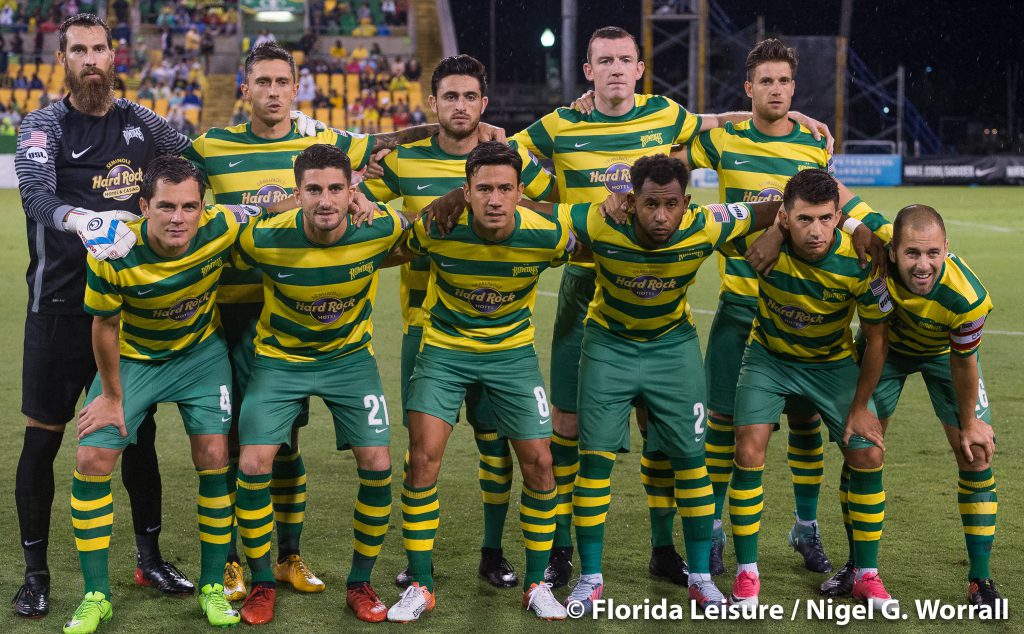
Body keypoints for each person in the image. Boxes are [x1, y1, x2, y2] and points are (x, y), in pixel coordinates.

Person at [513, 25, 832, 589]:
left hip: (656, 286)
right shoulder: (561, 124)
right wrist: (555, 198)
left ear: (640, 68)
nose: (614, 68)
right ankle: (563, 547)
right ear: (588, 71)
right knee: (567, 424)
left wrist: (794, 118)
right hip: (586, 285)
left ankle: (664, 548)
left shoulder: (665, 114)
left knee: (659, 428)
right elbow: (504, 163)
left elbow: (718, 125)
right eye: (603, 60)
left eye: (624, 60)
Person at [182, 40, 469, 607]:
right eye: (260, 82)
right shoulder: (209, 147)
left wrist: (466, 137)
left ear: (296, 87)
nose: (270, 91)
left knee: (285, 446)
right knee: (238, 444)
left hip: (311, 309)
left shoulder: (325, 143)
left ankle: (287, 556)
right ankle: (237, 563)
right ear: (244, 88)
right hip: (239, 313)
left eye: (280, 82)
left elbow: (382, 149)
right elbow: (185, 205)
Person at [681, 38, 890, 576]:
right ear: (747, 88)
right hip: (742, 306)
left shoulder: (811, 144)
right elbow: (672, 154)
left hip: (807, 311)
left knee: (803, 427)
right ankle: (716, 533)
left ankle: (805, 527)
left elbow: (829, 202)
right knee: (727, 430)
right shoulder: (724, 140)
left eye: (784, 82)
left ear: (794, 88)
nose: (775, 90)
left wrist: (870, 227)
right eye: (764, 82)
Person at [13, 13, 194, 618]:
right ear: (62, 59)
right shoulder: (43, 124)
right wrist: (86, 220)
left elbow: (197, 163)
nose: (90, 59)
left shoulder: (142, 122)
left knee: (135, 438)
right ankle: (36, 573)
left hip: (124, 312)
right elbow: (36, 195)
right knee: (44, 441)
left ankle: (149, 557)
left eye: (99, 49)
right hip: (59, 311)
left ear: (115, 56)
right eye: (78, 50)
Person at [359, 54, 554, 591]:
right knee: (420, 452)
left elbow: (551, 203)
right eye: (451, 96)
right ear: (434, 104)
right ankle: (416, 562)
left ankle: (493, 551)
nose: (461, 106)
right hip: (426, 325)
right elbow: (361, 209)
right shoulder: (405, 161)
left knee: (496, 443)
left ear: (484, 104)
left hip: (498, 328)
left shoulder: (508, 159)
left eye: (470, 97)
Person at [62, 157, 251, 634]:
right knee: (91, 458)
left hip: (200, 356)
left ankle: (212, 586)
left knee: (214, 454)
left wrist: (351, 196)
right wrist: (109, 395)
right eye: (166, 206)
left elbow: (272, 210)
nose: (178, 218)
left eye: (190, 207)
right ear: (144, 206)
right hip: (133, 358)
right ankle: (96, 596)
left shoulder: (222, 224)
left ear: (203, 208)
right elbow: (103, 325)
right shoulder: (111, 250)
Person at [386, 142, 573, 622]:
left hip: (512, 356)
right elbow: (389, 247)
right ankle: (421, 584)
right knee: (422, 460)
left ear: (519, 193)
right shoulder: (440, 228)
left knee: (540, 463)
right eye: (483, 189)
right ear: (465, 192)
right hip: (444, 352)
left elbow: (596, 241)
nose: (494, 199)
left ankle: (536, 584)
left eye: (505, 189)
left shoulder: (549, 234)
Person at [231, 144, 410, 624]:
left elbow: (427, 225)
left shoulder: (382, 227)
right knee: (252, 463)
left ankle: (360, 583)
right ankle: (263, 582)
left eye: (336, 189)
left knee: (378, 463)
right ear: (298, 193)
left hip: (350, 360)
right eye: (314, 190)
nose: (326, 200)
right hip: (280, 361)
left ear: (353, 192)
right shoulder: (264, 238)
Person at [727, 169, 894, 608]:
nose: (816, 230)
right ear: (785, 215)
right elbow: (707, 222)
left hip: (830, 364)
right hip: (769, 357)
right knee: (748, 450)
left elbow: (877, 338)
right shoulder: (760, 243)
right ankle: (747, 574)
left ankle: (867, 574)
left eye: (825, 219)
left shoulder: (860, 260)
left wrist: (860, 406)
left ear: (839, 216)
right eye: (803, 220)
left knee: (868, 451)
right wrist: (772, 232)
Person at [870, 205, 1000, 607]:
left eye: (932, 253)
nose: (923, 264)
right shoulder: (876, 246)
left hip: (946, 356)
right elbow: (836, 195)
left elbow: (964, 361)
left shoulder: (968, 297)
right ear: (892, 250)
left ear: (946, 248)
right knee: (864, 450)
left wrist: (969, 423)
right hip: (886, 353)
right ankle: (860, 569)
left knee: (976, 453)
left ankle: (980, 579)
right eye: (911, 253)